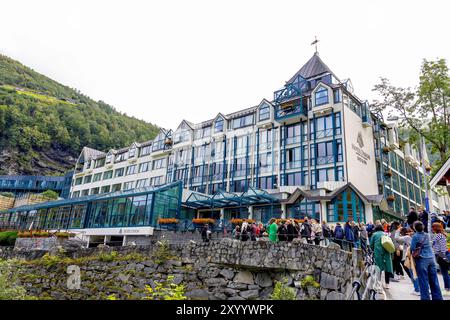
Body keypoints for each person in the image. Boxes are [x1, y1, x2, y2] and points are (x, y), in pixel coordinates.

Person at [410, 221, 443, 300]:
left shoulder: (415, 236)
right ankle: (438, 298)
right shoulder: (427, 235)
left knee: (423, 280)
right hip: (431, 259)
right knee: (434, 280)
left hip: (422, 259)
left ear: (414, 228)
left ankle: (425, 298)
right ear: (423, 227)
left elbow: (412, 248)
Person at [396, 227, 420, 295]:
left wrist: (397, 231)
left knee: (413, 274)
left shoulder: (407, 237)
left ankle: (417, 289)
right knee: (417, 274)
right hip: (418, 256)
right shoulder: (416, 236)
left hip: (410, 258)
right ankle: (418, 288)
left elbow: (397, 238)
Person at [370, 224, 394, 289]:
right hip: (386, 252)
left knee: (378, 268)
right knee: (387, 268)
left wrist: (372, 250)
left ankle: (379, 284)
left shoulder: (374, 234)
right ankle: (387, 284)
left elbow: (371, 245)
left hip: (378, 253)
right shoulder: (386, 234)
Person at [431, 222, 449, 294]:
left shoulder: (439, 235)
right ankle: (447, 288)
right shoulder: (440, 235)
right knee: (444, 273)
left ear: (435, 228)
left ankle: (447, 288)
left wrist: (444, 258)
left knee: (444, 273)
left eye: (433, 227)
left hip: (441, 255)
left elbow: (443, 248)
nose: (432, 229)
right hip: (441, 255)